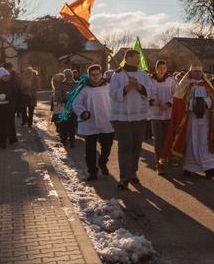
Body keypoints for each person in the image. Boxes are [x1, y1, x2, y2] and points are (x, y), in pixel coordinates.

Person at [161, 64, 214, 178]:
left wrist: (205, 102)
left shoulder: (207, 84)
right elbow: (179, 102)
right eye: (195, 71)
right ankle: (189, 167)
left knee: (204, 142)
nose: (198, 73)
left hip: (205, 120)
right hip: (190, 119)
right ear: (190, 72)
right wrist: (189, 103)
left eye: (199, 71)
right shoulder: (184, 85)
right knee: (190, 142)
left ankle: (209, 167)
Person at [109, 49, 155, 190]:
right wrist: (128, 86)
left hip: (140, 116)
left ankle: (132, 173)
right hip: (122, 117)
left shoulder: (143, 74)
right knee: (125, 146)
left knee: (136, 146)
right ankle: (124, 177)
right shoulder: (117, 75)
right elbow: (112, 94)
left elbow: (152, 91)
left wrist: (139, 86)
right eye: (136, 57)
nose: (139, 60)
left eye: (139, 57)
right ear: (128, 58)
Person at [73, 64, 115, 181]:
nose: (95, 77)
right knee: (90, 150)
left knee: (107, 146)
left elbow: (115, 102)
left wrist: (115, 117)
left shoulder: (108, 87)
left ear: (101, 74)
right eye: (93, 75)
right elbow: (76, 104)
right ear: (89, 76)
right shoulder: (84, 88)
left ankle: (102, 162)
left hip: (106, 122)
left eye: (97, 74)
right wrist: (83, 112)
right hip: (90, 122)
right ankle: (92, 172)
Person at [149, 60, 177, 175]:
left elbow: (176, 94)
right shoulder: (151, 80)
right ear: (156, 68)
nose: (162, 70)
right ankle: (159, 163)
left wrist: (168, 104)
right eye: (160, 68)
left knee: (167, 138)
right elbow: (147, 94)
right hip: (156, 113)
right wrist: (153, 101)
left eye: (164, 68)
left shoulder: (171, 80)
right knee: (158, 138)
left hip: (167, 112)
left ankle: (167, 158)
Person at [57, 69, 78, 147]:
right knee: (65, 126)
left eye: (71, 76)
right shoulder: (62, 85)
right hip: (65, 109)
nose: (69, 78)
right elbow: (59, 97)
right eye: (68, 76)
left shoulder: (76, 84)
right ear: (65, 77)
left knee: (72, 126)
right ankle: (64, 140)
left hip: (73, 108)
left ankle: (72, 141)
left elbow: (79, 95)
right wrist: (64, 100)